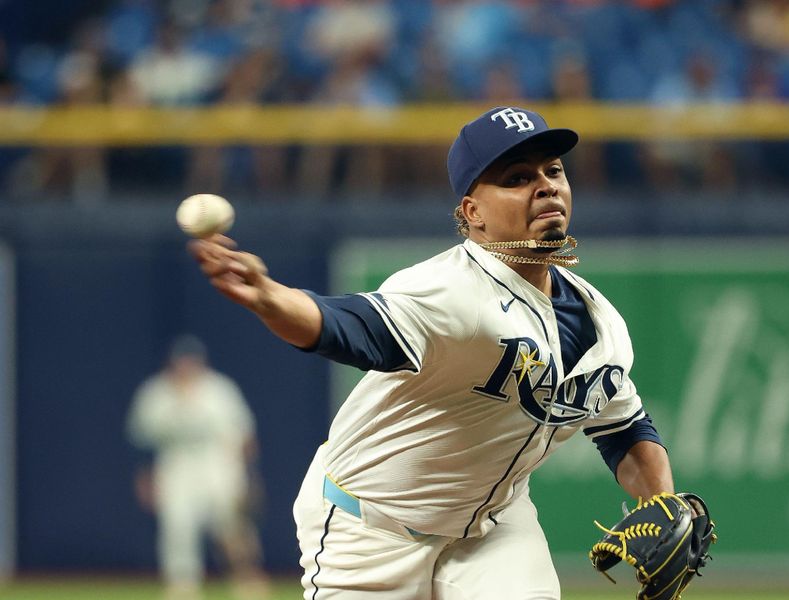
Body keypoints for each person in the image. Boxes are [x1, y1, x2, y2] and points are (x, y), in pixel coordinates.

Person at [189, 106, 675, 599]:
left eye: (553, 171)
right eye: (517, 177)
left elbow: (624, 428)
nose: (546, 185)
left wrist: (663, 505)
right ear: (472, 214)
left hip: (493, 529)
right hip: (371, 528)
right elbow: (349, 326)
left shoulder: (599, 321)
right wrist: (270, 296)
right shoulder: (449, 291)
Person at [126, 334, 270, 600]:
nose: (186, 366)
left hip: (219, 465)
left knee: (232, 526)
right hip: (176, 467)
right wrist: (145, 478)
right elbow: (142, 442)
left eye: (191, 361)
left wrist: (250, 476)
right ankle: (183, 587)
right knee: (177, 527)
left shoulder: (219, 389)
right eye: (182, 361)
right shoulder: (157, 392)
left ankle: (247, 580)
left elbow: (245, 436)